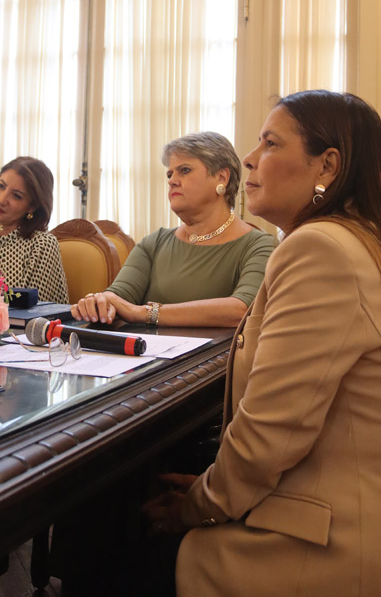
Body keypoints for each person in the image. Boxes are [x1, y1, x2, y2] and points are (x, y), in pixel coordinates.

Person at [143, 90, 381, 597]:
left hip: (329, 538)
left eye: (270, 143)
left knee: (140, 537)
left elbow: (270, 433)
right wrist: (214, 483)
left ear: (328, 166)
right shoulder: (354, 240)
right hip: (334, 496)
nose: (249, 158)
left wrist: (197, 506)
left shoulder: (320, 249)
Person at [71, 131, 275, 328]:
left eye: (184, 170)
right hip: (150, 359)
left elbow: (242, 309)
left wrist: (145, 313)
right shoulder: (155, 242)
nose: (171, 180)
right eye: (170, 173)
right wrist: (100, 301)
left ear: (221, 177)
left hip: (215, 362)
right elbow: (119, 295)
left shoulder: (259, 245)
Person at [0, 156, 68, 302]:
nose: (1, 200)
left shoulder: (41, 244)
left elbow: (37, 314)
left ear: (31, 206)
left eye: (16, 196)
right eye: (1, 186)